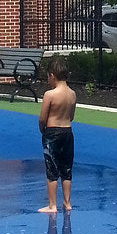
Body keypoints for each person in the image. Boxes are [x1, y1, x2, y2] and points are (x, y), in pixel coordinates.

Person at [38, 58, 76, 213]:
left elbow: (42, 117)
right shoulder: (72, 94)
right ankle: (67, 202)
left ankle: (52, 205)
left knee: (52, 168)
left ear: (52, 75)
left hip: (52, 132)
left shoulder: (50, 95)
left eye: (48, 77)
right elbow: (72, 116)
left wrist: (42, 129)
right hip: (67, 132)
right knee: (66, 168)